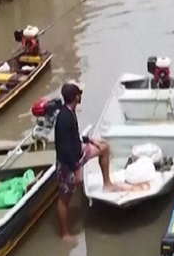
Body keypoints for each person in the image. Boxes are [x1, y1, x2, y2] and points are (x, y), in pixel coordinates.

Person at [54, 81, 129, 240]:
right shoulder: (64, 118)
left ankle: (107, 184)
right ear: (76, 97)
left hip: (77, 152)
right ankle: (64, 234)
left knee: (104, 148)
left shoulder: (70, 111)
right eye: (79, 94)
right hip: (67, 163)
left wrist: (90, 140)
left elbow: (74, 137)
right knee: (64, 198)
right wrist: (76, 170)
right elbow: (64, 149)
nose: (81, 96)